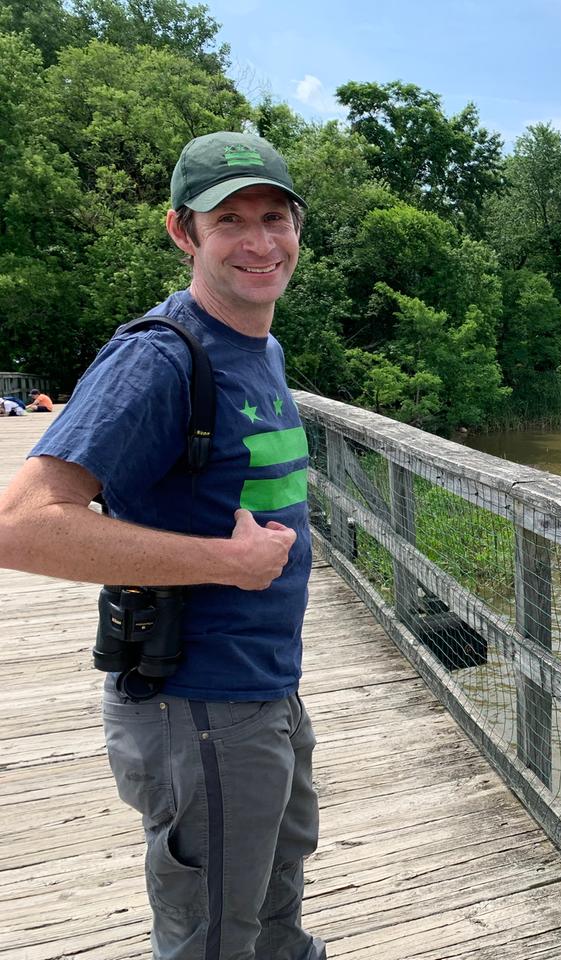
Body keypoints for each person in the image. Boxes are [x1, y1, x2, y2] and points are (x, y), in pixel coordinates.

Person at [0, 132, 324, 959]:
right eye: (230, 222)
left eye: (274, 217)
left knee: (275, 920)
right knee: (211, 936)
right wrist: (228, 564)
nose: (259, 242)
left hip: (267, 692)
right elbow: (21, 525)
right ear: (184, 232)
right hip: (200, 709)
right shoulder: (157, 358)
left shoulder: (262, 347)